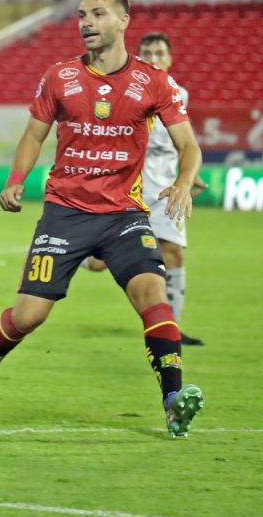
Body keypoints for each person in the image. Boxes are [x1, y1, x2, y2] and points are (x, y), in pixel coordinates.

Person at [0, 0, 205, 438]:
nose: (85, 22)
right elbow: (32, 135)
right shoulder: (59, 76)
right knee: (28, 317)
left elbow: (189, 146)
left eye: (97, 14)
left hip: (125, 214)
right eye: (82, 14)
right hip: (65, 212)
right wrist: (14, 181)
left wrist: (183, 181)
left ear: (123, 20)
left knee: (152, 294)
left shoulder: (153, 82)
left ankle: (172, 399)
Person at [84, 33, 208, 346]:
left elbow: (182, 143)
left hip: (167, 188)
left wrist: (189, 175)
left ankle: (172, 329)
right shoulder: (123, 90)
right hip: (130, 187)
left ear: (169, 59)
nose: (154, 58)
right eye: (148, 52)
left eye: (160, 53)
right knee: (100, 264)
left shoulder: (179, 94)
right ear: (138, 57)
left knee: (173, 253)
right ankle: (81, 249)